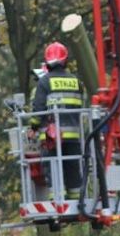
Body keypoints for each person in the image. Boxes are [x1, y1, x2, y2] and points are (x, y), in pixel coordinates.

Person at [30, 41, 86, 199]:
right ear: (65, 60)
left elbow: (38, 110)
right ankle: (76, 199)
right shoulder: (76, 82)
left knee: (53, 167)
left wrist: (33, 128)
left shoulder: (44, 82)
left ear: (47, 63)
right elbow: (82, 105)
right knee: (73, 167)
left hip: (51, 137)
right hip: (74, 136)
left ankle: (57, 199)